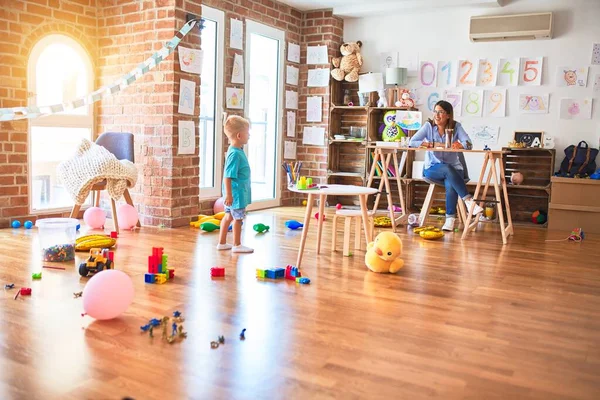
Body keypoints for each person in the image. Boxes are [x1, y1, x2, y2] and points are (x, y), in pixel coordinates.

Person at [408, 100, 483, 231]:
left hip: (455, 169)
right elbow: (412, 142)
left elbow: (469, 143)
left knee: (450, 181)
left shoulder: (456, 126)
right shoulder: (428, 126)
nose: (437, 115)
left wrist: (461, 144)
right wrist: (430, 144)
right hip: (432, 169)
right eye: (435, 111)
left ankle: (450, 220)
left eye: (441, 112)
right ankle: (469, 201)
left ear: (448, 115)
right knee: (448, 169)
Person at [217, 116, 254, 253]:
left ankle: (222, 243)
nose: (249, 135)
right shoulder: (235, 154)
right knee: (238, 218)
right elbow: (228, 176)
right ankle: (237, 244)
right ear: (239, 135)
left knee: (228, 216)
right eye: (247, 132)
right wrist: (229, 195)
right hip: (235, 194)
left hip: (234, 193)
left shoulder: (236, 151)